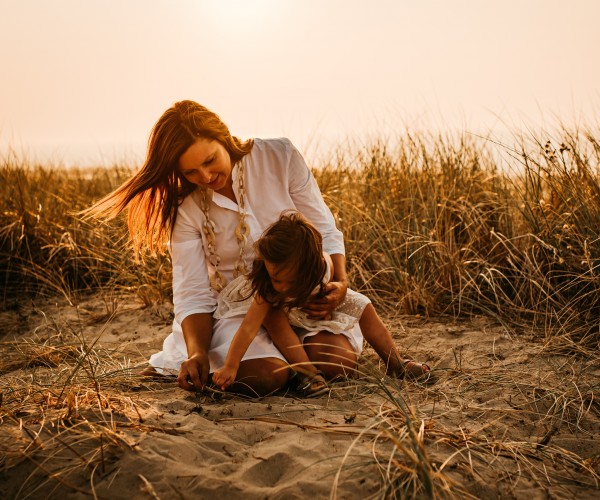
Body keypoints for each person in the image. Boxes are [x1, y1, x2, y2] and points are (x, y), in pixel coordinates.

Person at [83, 99, 429, 397]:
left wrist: (339, 283)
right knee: (267, 376)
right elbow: (192, 292)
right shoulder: (186, 208)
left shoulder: (278, 156)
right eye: (190, 172)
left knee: (335, 362)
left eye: (209, 160)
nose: (204, 176)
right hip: (235, 310)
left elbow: (324, 225)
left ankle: (309, 368)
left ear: (223, 136)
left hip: (303, 296)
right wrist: (198, 352)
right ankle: (281, 371)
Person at [212, 210, 431, 396]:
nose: (279, 284)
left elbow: (330, 267)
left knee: (363, 305)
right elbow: (248, 327)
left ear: (308, 271)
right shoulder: (269, 287)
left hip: (302, 307)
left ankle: (396, 364)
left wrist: (328, 293)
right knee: (273, 315)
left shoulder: (321, 268)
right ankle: (307, 373)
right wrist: (231, 365)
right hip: (276, 310)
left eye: (286, 279)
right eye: (275, 277)